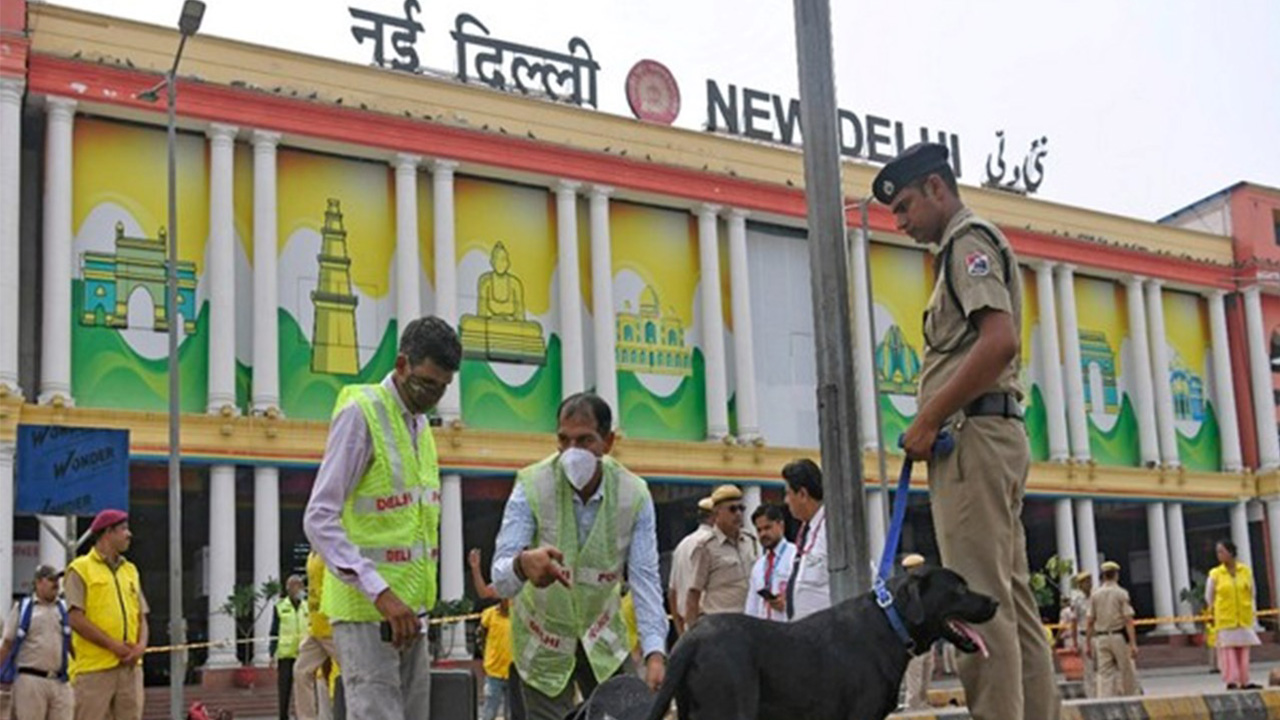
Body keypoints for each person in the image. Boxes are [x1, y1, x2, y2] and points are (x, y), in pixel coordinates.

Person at [880, 142, 1062, 720]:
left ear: (937, 187)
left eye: (906, 206)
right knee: (1012, 602)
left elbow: (998, 339)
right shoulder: (967, 244)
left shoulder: (966, 242)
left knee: (975, 604)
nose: (903, 223)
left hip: (971, 439)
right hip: (992, 434)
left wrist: (929, 417)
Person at [303, 316, 463, 720]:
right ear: (402, 364)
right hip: (367, 612)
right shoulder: (363, 413)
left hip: (411, 617)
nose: (432, 395)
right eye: (426, 383)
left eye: (443, 387)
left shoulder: (420, 425)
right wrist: (380, 592)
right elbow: (319, 517)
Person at [491, 393, 668, 720]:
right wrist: (521, 565)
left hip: (604, 637)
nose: (572, 451)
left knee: (628, 712)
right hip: (541, 640)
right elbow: (500, 578)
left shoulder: (634, 494)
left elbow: (645, 579)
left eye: (585, 440)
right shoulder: (531, 485)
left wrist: (655, 652)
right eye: (564, 440)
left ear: (608, 441)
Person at [63, 508, 149, 720]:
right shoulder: (80, 569)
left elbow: (141, 616)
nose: (129, 534)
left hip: (130, 668)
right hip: (94, 670)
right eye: (123, 529)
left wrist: (140, 648)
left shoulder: (130, 570)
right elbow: (75, 619)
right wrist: (113, 646)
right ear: (107, 533)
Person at [0, 564, 73, 720]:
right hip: (30, 679)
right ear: (38, 582)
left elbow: (72, 643)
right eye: (51, 579)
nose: (56, 583)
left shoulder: (63, 609)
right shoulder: (23, 608)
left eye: (57, 579)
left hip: (60, 680)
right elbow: (7, 643)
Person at [685, 485, 758, 626]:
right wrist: (692, 632)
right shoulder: (706, 547)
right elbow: (694, 593)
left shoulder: (749, 541)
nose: (738, 514)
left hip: (749, 623)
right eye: (732, 509)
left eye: (741, 508)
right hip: (719, 625)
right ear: (717, 513)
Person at [1205, 539, 1261, 690]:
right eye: (1218, 552)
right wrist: (1214, 610)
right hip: (1225, 617)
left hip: (1242, 617)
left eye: (1222, 551)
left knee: (1243, 650)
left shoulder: (1245, 571)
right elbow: (1209, 596)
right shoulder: (1215, 574)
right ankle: (1232, 680)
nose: (1219, 555)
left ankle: (1245, 680)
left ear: (1231, 553)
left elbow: (1252, 592)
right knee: (1228, 650)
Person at [294, 551, 342, 720]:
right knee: (300, 671)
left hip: (332, 626)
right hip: (315, 628)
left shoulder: (331, 551)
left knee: (354, 672)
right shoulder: (311, 555)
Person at [781, 459, 828, 621]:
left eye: (788, 493)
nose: (786, 501)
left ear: (802, 494)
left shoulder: (833, 530)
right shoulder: (805, 530)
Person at [470, 549, 513, 720]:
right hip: (494, 672)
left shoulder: (521, 613)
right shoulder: (490, 615)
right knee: (489, 712)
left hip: (514, 672)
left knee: (514, 714)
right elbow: (483, 592)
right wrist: (475, 568)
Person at [1086, 561, 1137, 698]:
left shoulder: (1095, 595)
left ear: (1103, 576)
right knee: (1126, 671)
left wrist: (1088, 643)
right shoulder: (1121, 593)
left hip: (1101, 638)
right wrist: (1133, 643)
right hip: (1118, 636)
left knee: (1104, 674)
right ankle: (1131, 699)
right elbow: (1128, 619)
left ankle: (1105, 702)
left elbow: (1090, 621)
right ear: (1116, 575)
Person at [667, 497, 713, 636]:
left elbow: (672, 593)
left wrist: (681, 631)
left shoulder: (682, 545)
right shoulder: (713, 544)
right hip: (710, 623)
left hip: (688, 626)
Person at [744, 504, 794, 622]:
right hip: (764, 634)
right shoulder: (759, 566)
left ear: (781, 525)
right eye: (759, 530)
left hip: (790, 629)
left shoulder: (796, 556)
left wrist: (788, 604)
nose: (763, 534)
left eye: (767, 528)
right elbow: (752, 608)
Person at [271, 575, 310, 720]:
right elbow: (274, 631)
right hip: (286, 654)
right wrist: (271, 652)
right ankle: (283, 716)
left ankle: (302, 715)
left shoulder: (307, 606)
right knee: (284, 689)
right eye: (294, 585)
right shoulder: (280, 607)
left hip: (304, 653)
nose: (298, 589)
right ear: (288, 589)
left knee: (303, 688)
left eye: (300, 585)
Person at [900, 554, 934, 711]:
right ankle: (913, 705)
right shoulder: (905, 589)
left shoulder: (928, 587)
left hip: (928, 636)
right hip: (913, 637)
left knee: (927, 669)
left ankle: (922, 701)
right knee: (915, 673)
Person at [1066, 571, 1096, 698]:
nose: (1089, 584)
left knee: (1103, 669)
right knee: (1088, 670)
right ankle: (1091, 696)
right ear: (1080, 585)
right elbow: (1074, 622)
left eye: (1090, 580)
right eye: (1085, 582)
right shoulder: (1077, 601)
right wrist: (1074, 642)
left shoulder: (1097, 596)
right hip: (1083, 636)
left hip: (1098, 635)